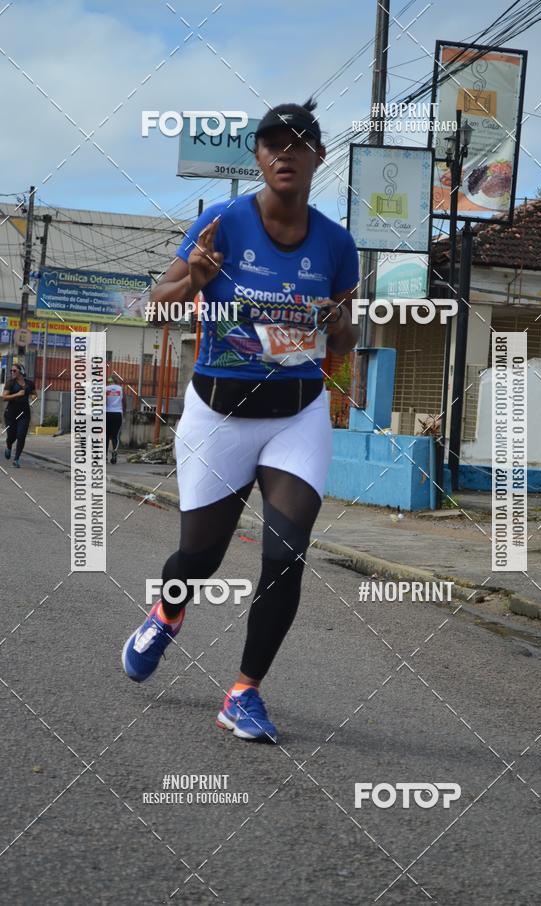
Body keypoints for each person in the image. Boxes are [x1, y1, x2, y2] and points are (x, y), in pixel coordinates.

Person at [121, 98, 359, 744]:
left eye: (299, 143)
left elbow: (343, 339)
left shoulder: (338, 246)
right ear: (258, 156)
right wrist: (191, 282)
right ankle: (169, 614)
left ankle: (244, 690)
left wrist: (342, 325)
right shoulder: (222, 222)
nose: (286, 153)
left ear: (319, 157)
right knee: (199, 558)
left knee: (287, 556)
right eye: (273, 144)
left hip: (297, 415)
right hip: (219, 416)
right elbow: (151, 307)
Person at [3, 362, 35, 468]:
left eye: (14, 370)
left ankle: (16, 459)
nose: (12, 372)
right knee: (11, 436)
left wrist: (34, 397)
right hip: (11, 413)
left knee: (21, 436)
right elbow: (4, 397)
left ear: (21, 371)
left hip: (24, 413)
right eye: (11, 370)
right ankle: (8, 446)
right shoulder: (10, 383)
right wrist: (17, 394)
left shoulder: (30, 383)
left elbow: (34, 393)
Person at [106, 374, 125, 464]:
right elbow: (124, 402)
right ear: (116, 380)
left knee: (106, 435)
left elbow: (103, 401)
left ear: (109, 381)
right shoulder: (121, 389)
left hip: (107, 413)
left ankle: (104, 456)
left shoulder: (105, 389)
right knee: (115, 436)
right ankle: (114, 453)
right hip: (117, 414)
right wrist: (123, 413)